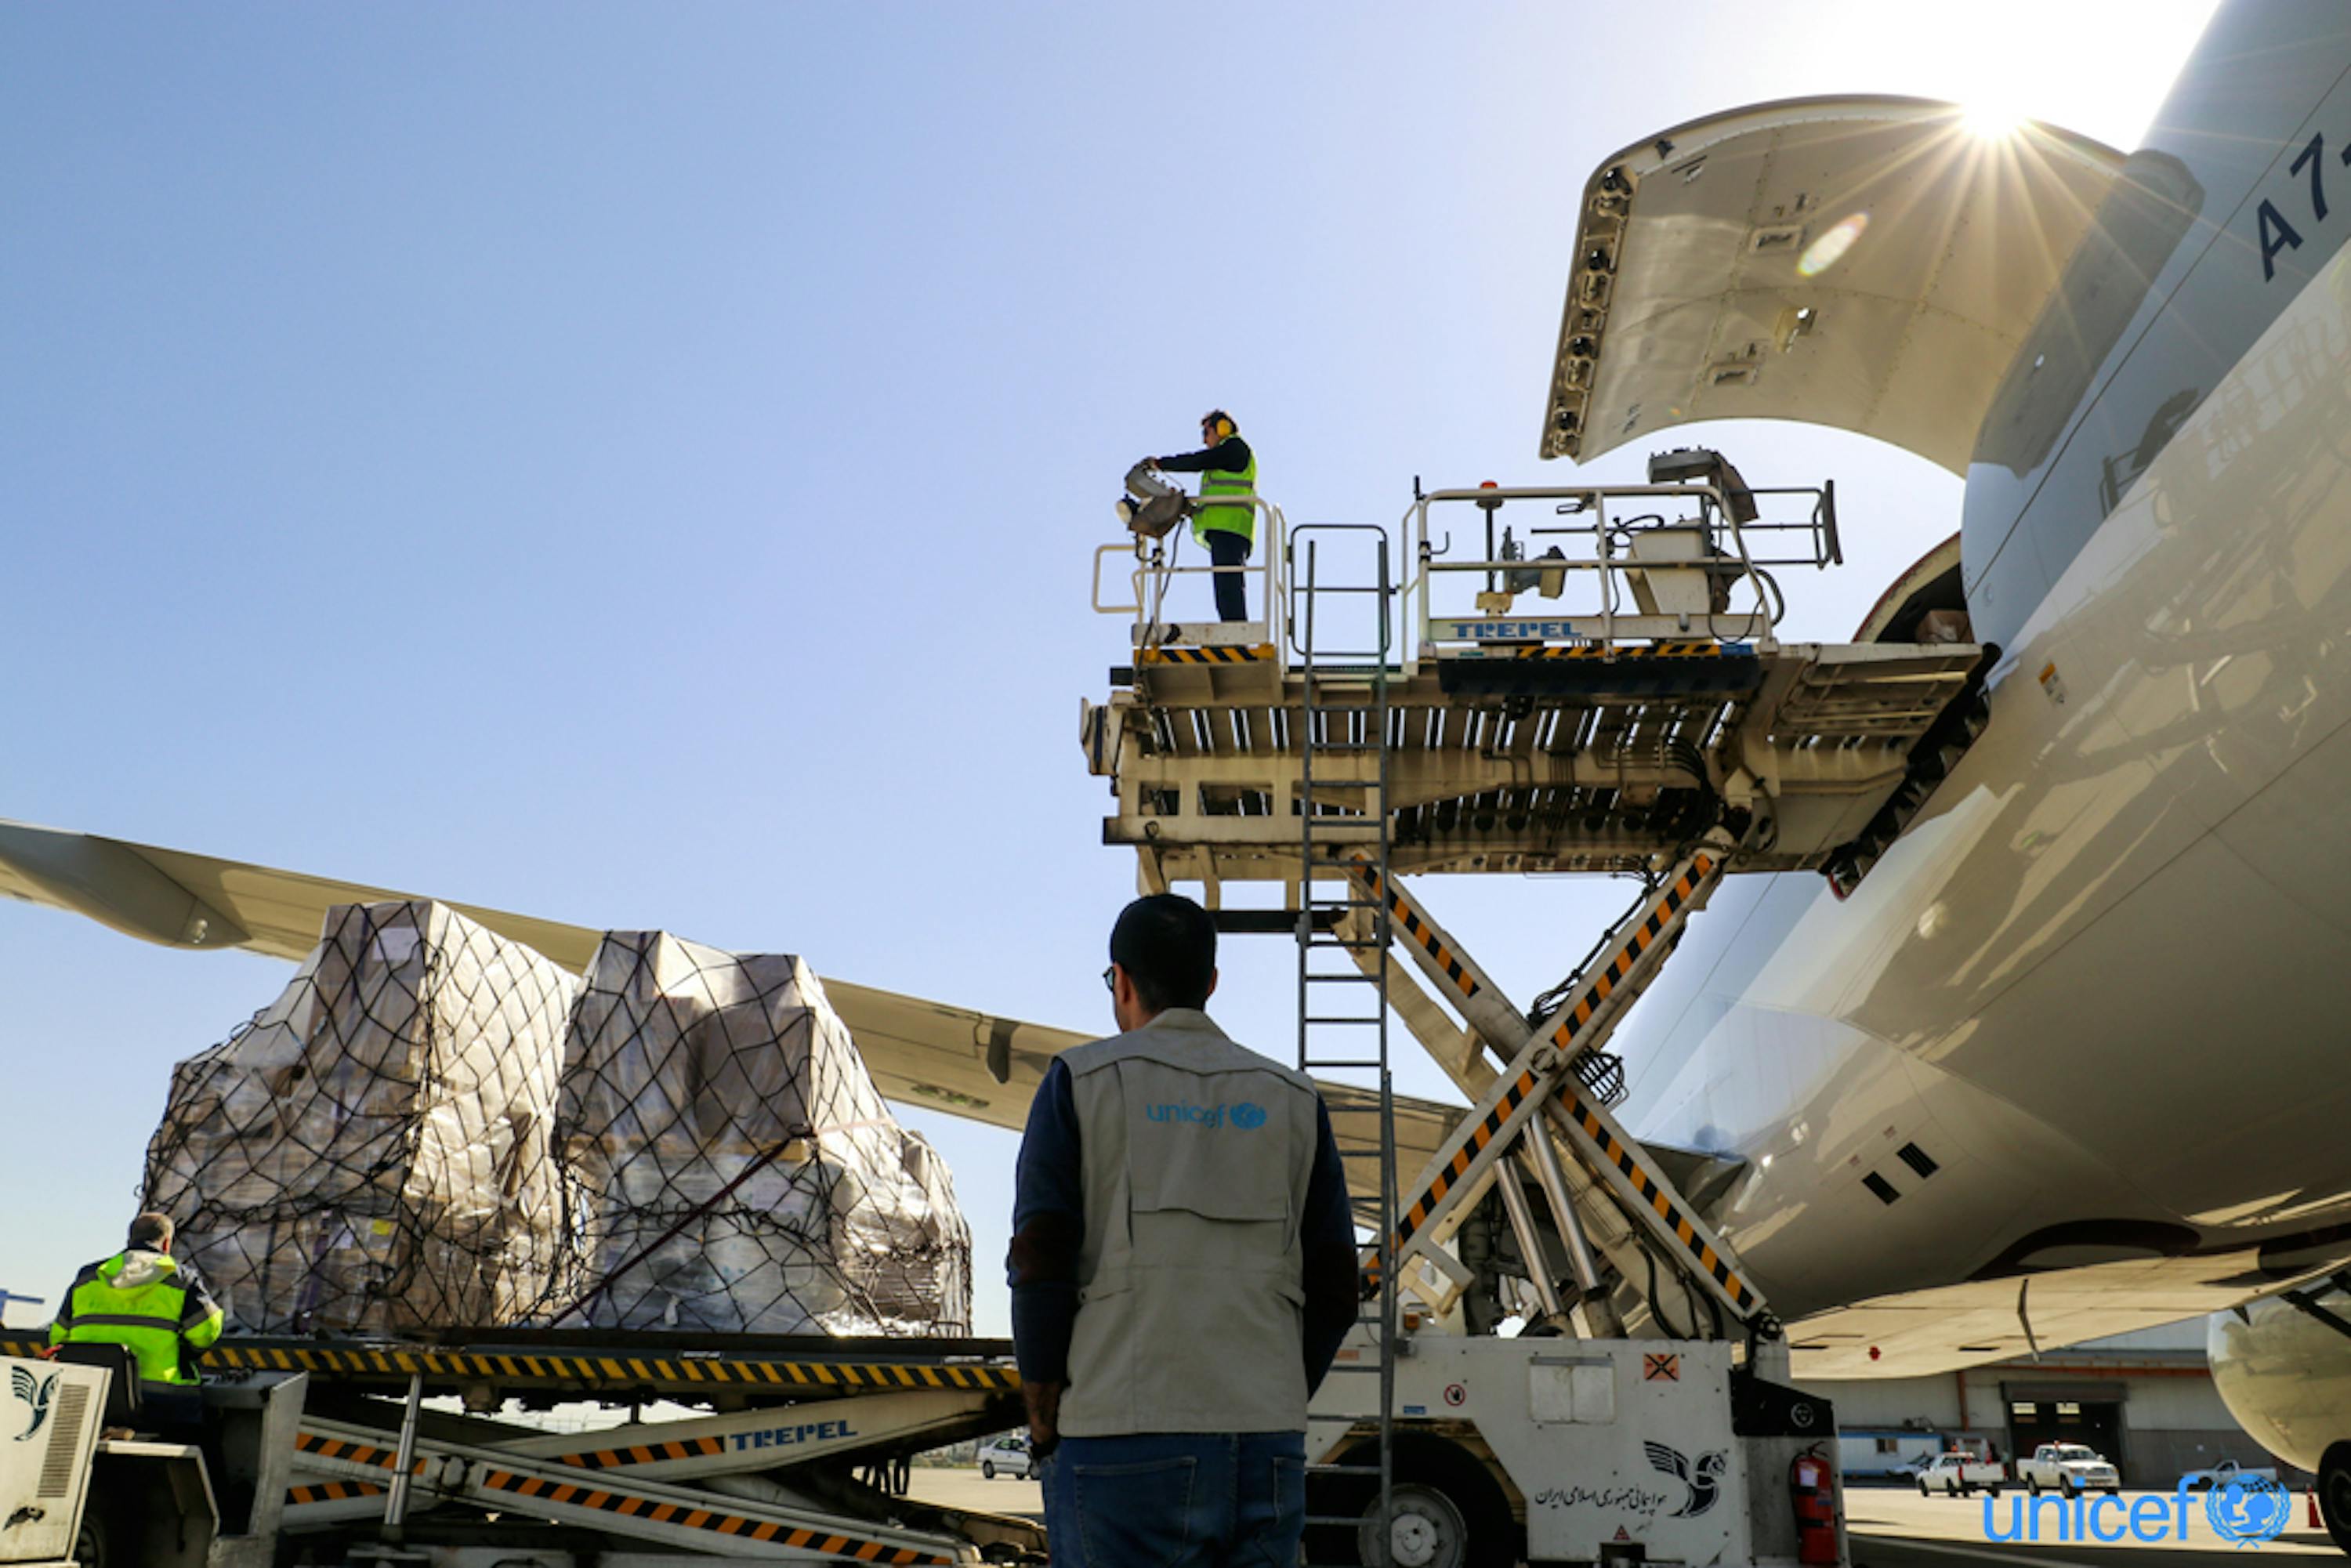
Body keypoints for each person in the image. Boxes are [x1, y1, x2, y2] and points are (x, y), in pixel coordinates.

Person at [1009, 893, 1357, 1567]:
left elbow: (1040, 1262)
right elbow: (1338, 1288)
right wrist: (1275, 1394)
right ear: (1212, 985)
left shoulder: (1078, 1082)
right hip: (1266, 1444)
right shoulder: (1295, 1100)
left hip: (1119, 1440)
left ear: (1123, 981)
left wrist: (1044, 1411)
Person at [49, 1211, 223, 1386]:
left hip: (90, 1388)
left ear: (130, 1239)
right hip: (159, 1390)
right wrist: (185, 1352)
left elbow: (59, 1336)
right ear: (166, 1244)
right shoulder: (180, 1279)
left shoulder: (87, 1276)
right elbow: (206, 1332)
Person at [1148, 410, 1257, 622]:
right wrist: (1191, 510)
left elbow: (1198, 461)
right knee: (1225, 588)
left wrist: (1161, 464)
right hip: (1225, 528)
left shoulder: (1234, 448)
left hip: (1231, 527)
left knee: (1229, 587)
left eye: (1206, 433)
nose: (1205, 440)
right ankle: (1232, 630)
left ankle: (1236, 632)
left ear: (1222, 428)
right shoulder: (1227, 456)